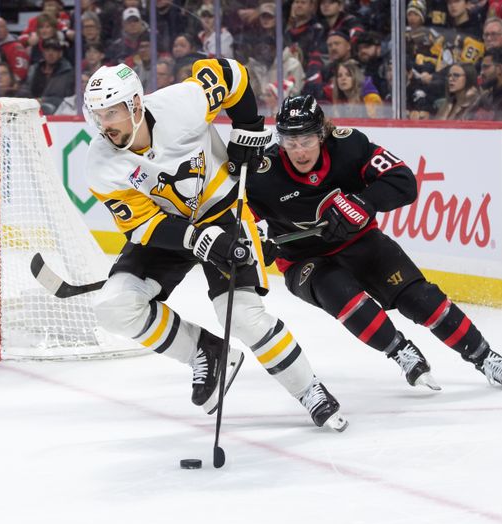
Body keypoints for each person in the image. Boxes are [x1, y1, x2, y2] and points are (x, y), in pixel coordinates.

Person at [82, 62, 347, 431]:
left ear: (136, 106)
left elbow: (231, 73)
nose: (104, 124)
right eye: (97, 115)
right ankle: (204, 351)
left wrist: (248, 128)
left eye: (111, 113)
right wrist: (196, 240)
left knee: (240, 316)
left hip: (224, 211)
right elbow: (144, 225)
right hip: (167, 230)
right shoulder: (100, 162)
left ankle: (310, 390)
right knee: (114, 306)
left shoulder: (183, 104)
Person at [246, 95, 502, 391]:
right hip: (304, 261)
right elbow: (236, 220)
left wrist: (363, 202)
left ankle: (485, 356)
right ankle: (399, 351)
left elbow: (404, 181)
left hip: (361, 241)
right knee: (341, 293)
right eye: (291, 142)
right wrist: (255, 242)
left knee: (421, 299)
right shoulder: (263, 174)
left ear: (322, 134)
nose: (299, 151)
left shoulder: (349, 146)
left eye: (306, 140)